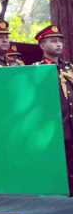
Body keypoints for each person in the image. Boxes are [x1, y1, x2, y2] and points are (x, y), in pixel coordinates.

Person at [33, 24, 73, 194]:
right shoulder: (37, 69)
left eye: (60, 41)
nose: (58, 44)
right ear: (42, 45)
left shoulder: (69, 68)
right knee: (58, 169)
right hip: (53, 129)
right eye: (53, 41)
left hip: (71, 125)